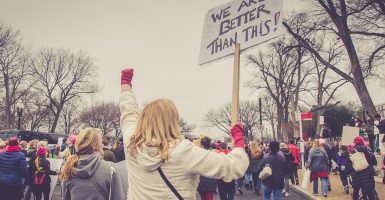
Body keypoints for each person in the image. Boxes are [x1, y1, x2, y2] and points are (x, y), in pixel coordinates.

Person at [119, 68, 249, 199]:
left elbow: (128, 111)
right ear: (172, 122)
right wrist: (238, 138)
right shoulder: (183, 151)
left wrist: (126, 85)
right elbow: (234, 167)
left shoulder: (132, 144)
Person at [61, 128, 125, 200]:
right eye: (100, 142)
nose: (102, 144)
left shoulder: (69, 168)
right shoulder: (111, 168)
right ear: (95, 145)